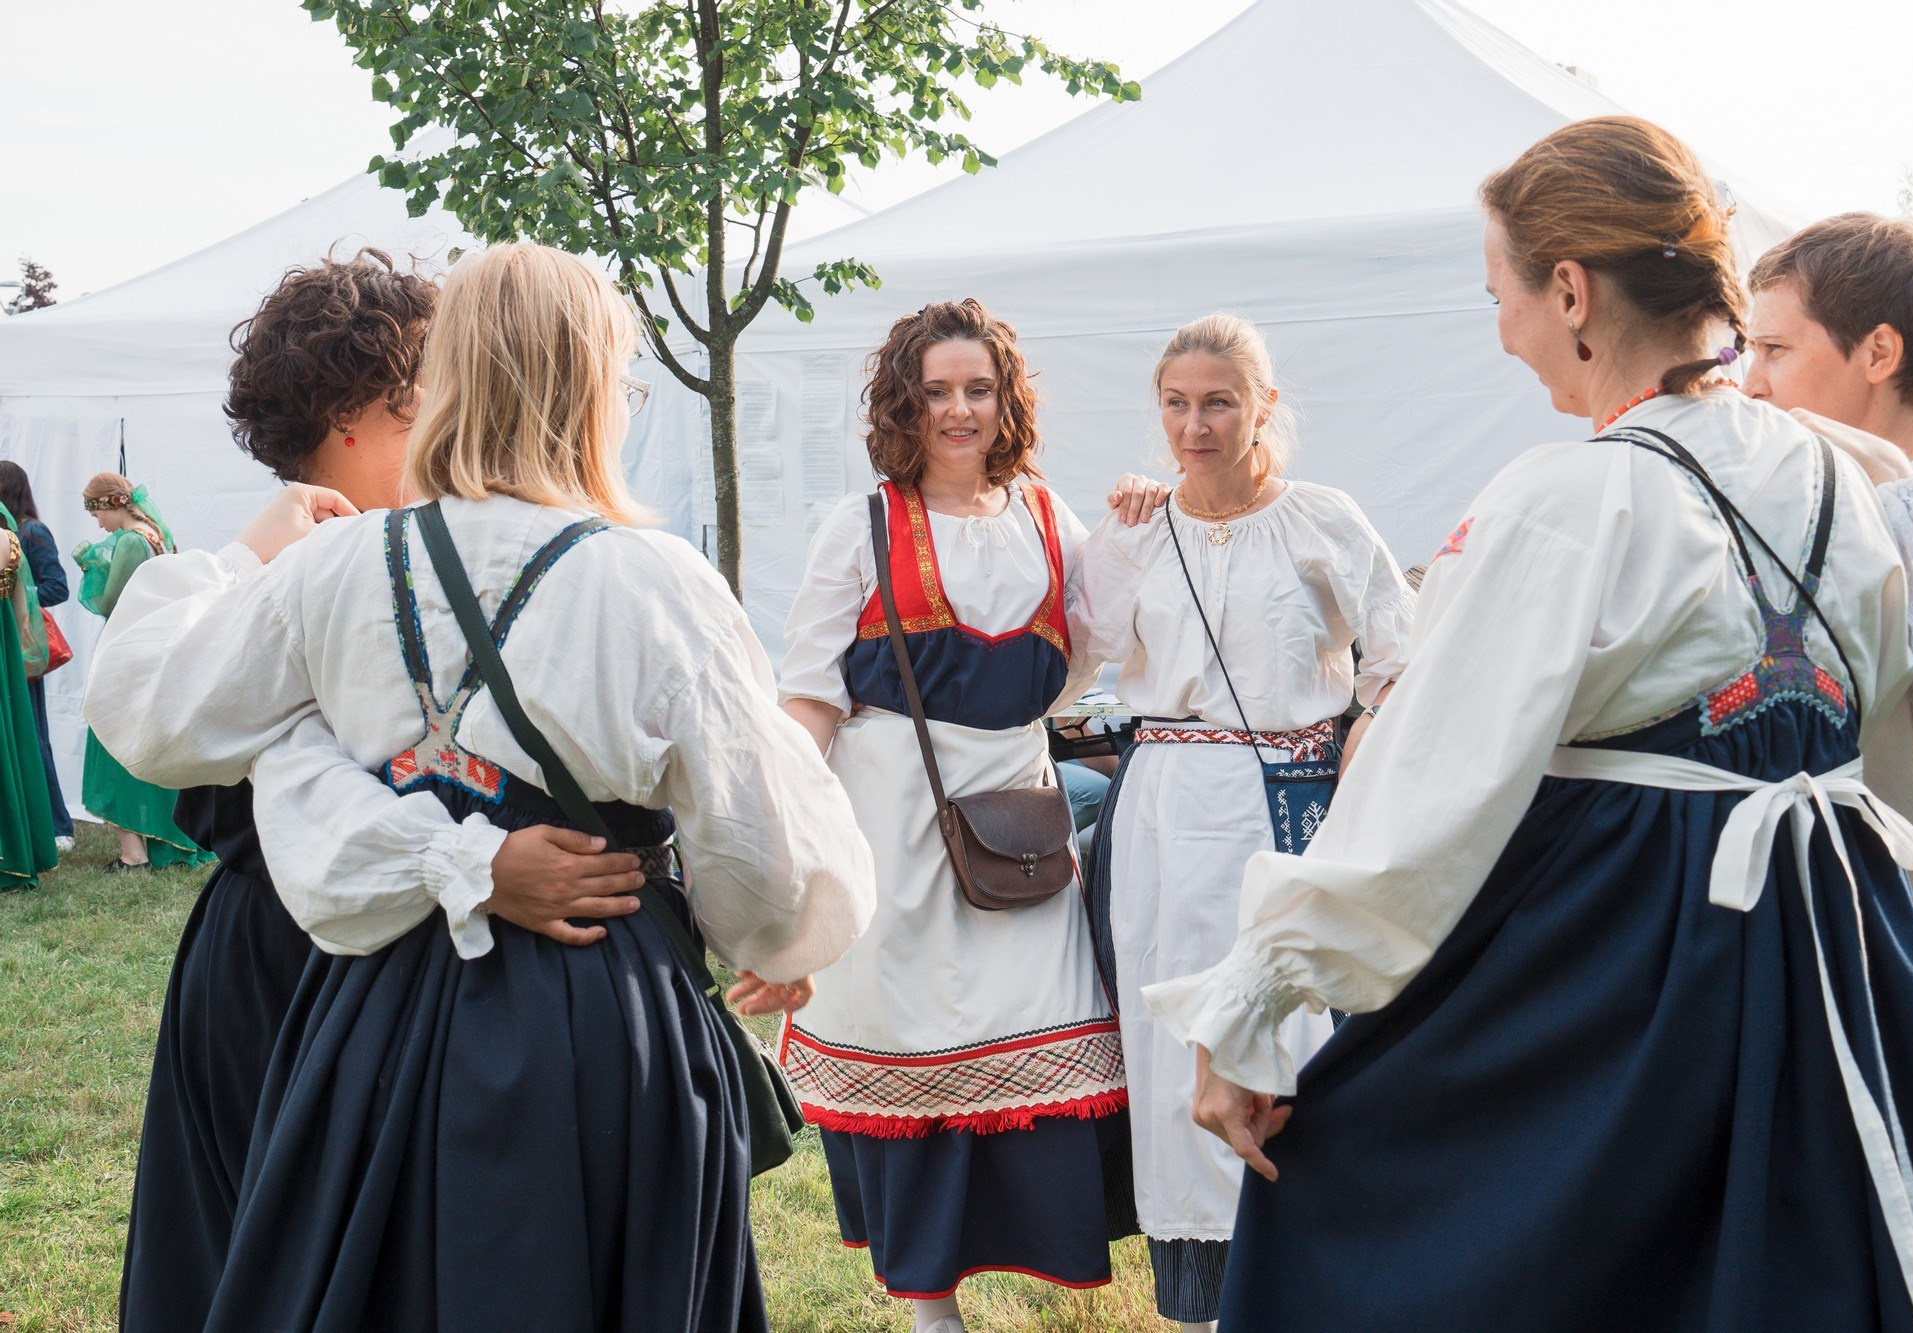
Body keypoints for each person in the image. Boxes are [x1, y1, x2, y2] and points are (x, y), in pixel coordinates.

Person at [1144, 116, 1913, 1329]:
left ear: (1567, 287)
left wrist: (1252, 1004)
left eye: (1499, 293)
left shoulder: (1572, 497)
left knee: (1387, 1221)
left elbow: (1422, 789)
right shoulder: (1841, 482)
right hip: (1832, 956)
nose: (1501, 329)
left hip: (1634, 968)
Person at [86, 240, 874, 1329]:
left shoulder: (334, 567)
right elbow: (768, 861)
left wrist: (237, 558)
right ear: (593, 386)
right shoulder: (656, 582)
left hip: (376, 1006)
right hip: (598, 1002)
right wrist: (773, 939)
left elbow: (149, 709)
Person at [115, 250, 615, 1331]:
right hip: (297, 961)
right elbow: (191, 727)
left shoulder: (449, 555)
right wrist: (477, 866)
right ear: (360, 422)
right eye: (433, 394)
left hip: (404, 954)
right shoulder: (323, 566)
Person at [777, 299, 1154, 1333]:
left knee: (1036, 1025)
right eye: (936, 390)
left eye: (976, 389)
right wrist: (784, 808)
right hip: (890, 815)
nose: (958, 410)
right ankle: (929, 1310)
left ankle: (1039, 1251)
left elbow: (1084, 657)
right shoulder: (856, 525)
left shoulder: (1043, 512)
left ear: (1005, 398)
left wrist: (1128, 532)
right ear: (904, 398)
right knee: (908, 1038)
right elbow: (808, 687)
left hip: (1015, 813)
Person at [1073, 313, 1411, 1332]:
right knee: (1176, 1030)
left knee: (1296, 1033)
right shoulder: (1136, 530)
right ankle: (1202, 1304)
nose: (1193, 424)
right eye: (1175, 403)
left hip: (1288, 805)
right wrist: (1110, 541)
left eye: (1217, 400)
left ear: (1262, 405)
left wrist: (1357, 747)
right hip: (1166, 815)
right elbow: (1074, 658)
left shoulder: (1322, 518)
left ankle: (1315, 1278)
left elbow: (1402, 655)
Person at [1744, 212, 1913, 1205]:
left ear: (1876, 353)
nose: (1751, 380)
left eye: (1772, 349)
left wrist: (1877, 484)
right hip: (1886, 911)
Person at [73, 474, 212, 870]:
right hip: (155, 647)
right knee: (149, 740)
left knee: (114, 740)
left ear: (109, 504)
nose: (97, 523)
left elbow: (111, 601)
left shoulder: (132, 540)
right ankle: (163, 838)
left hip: (128, 648)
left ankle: (132, 853)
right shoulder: (156, 535)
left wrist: (91, 567)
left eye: (96, 512)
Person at [0, 461, 73, 849]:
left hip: (25, 647)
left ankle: (58, 826)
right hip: (6, 642)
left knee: (34, 736)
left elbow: (56, 587)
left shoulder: (31, 531)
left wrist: (18, 597)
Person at [0, 502, 57, 888]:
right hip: (6, 662)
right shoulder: (10, 540)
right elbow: (24, 614)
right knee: (12, 744)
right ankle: (18, 853)